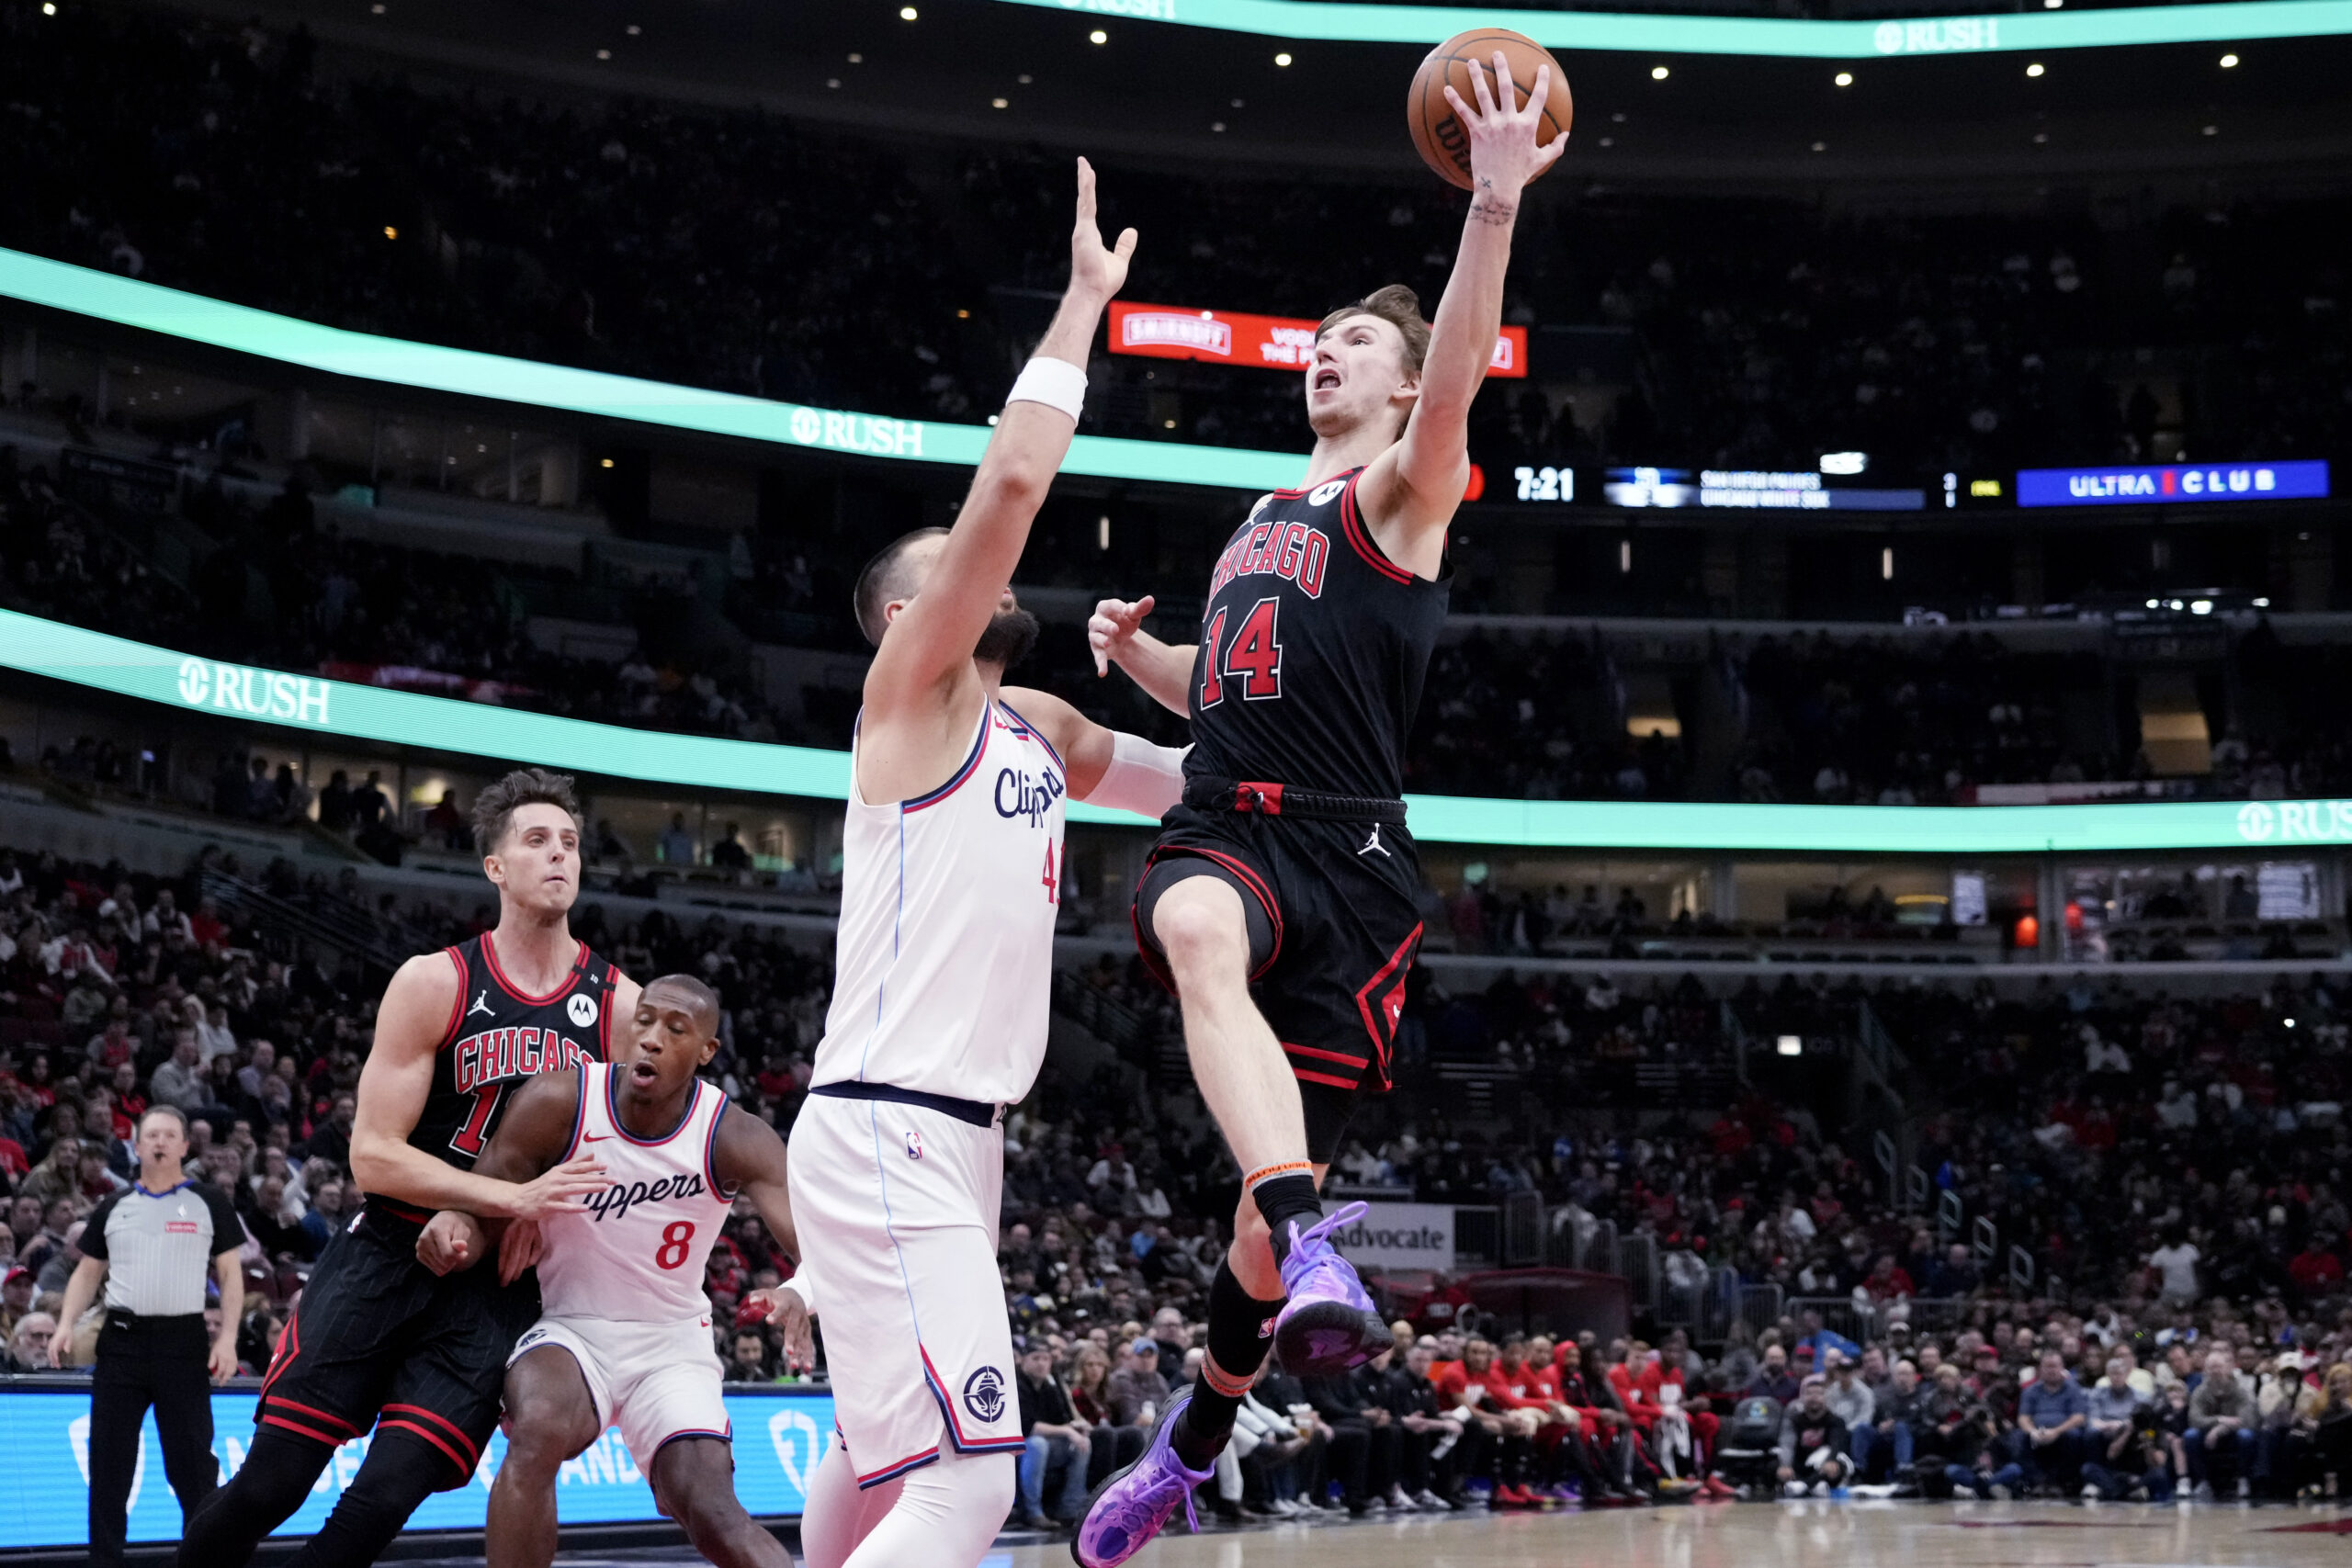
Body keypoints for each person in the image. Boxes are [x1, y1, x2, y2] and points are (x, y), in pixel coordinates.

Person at [1074, 58, 1566, 1567]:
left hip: (1353, 850)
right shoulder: (1254, 523)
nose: (1324, 356)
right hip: (1231, 812)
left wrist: (1489, 205)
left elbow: (1468, 355)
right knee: (1194, 927)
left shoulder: (1406, 494)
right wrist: (1138, 655)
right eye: (1319, 342)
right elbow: (1223, 692)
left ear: (1409, 384)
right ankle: (1310, 1231)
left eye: (1355, 343)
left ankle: (1196, 1439)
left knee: (1244, 1237)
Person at [786, 163, 1182, 1568]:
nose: (992, 564)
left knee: (871, 1447)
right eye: (957, 561)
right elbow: (1015, 477)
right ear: (911, 606)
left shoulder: (1041, 723)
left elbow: (1206, 783)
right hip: (892, 1114)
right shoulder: (915, 685)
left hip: (955, 1133)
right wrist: (1083, 305)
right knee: (970, 1485)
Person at [177, 769, 636, 1568]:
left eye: (569, 842)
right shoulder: (435, 980)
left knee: (386, 1495)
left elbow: (630, 1160)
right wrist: (505, 1194)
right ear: (495, 866)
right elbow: (374, 1155)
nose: (559, 854)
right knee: (270, 1485)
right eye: (536, 840)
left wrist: (533, 1211)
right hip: (388, 1248)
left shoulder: (620, 1006)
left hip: (498, 1287)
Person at [434, 973, 814, 1568]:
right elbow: (485, 1201)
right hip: (572, 1331)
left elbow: (818, 1244)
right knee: (535, 1433)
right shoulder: (559, 1099)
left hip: (672, 1346)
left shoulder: (734, 1134)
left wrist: (800, 1288)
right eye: (644, 1020)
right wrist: (458, 1223)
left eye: (675, 1028)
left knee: (714, 1512)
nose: (653, 1038)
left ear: (707, 1051)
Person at [51, 1106, 245, 1567]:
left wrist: (228, 1338)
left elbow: (231, 1273)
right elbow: (86, 1271)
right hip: (122, 1343)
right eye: (150, 1135)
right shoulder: (114, 1205)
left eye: (169, 1135)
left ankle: (202, 1561)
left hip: (183, 1343)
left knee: (193, 1467)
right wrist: (64, 1324)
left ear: (184, 1146)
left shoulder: (209, 1200)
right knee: (109, 1466)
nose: (159, 1142)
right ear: (136, 1147)